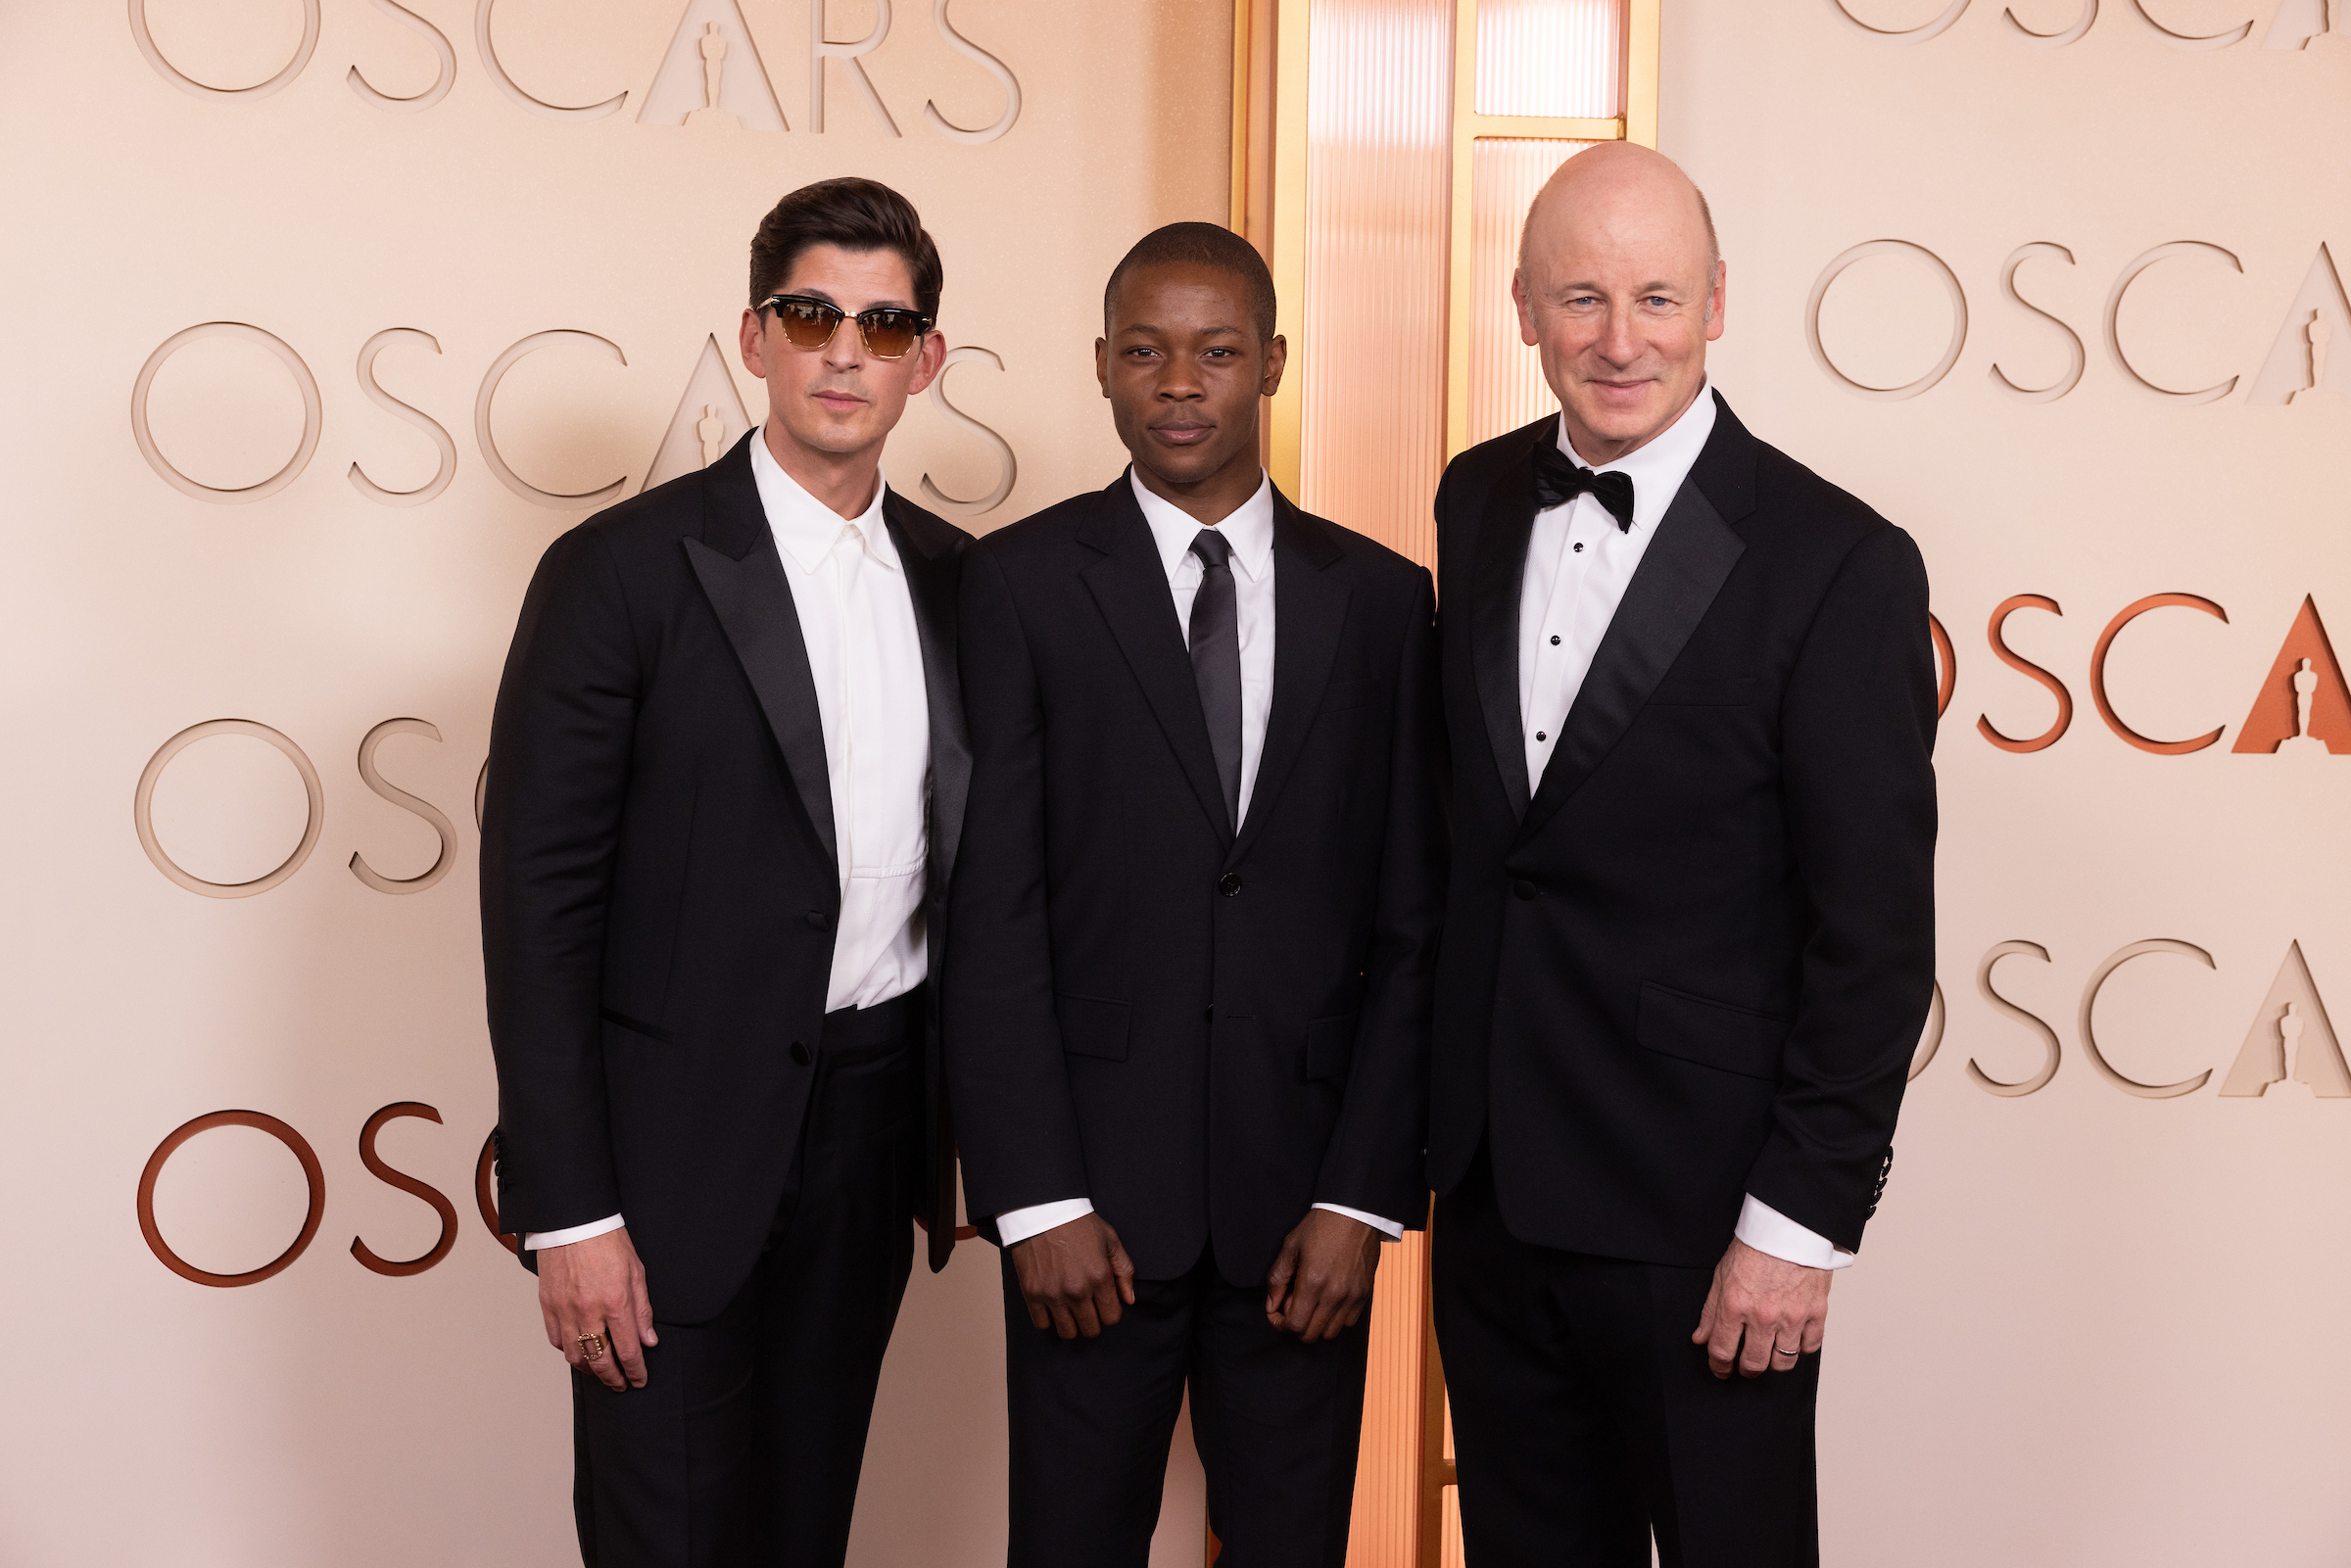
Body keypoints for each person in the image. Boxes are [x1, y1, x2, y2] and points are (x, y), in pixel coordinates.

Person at [1427, 143, 1938, 1567]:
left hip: (1707, 1215)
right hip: (1494, 1192)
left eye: (1656, 297)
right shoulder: (1476, 499)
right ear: (1523, 307)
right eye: (1579, 297)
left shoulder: (1839, 560)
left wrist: (1798, 1226)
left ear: (1716, 303)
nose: (1619, 340)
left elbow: (1874, 938)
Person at [480, 176, 969, 1568]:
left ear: (926, 360)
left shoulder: (963, 582)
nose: (844, 353)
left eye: (883, 326)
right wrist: (573, 1212)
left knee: (807, 1533)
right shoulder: (618, 573)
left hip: (872, 1135)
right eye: (811, 316)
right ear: (755, 337)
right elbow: (537, 910)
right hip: (666, 1158)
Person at [944, 222, 1445, 1568]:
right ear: (1103, 365)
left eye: (1215, 352)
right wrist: (1036, 1200)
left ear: (1271, 363)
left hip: (1307, 1216)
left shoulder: (1384, 603)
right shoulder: (1019, 585)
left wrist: (1363, 1199)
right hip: (1088, 1214)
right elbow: (991, 916)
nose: (1179, 383)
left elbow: (1415, 930)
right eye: (1146, 352)